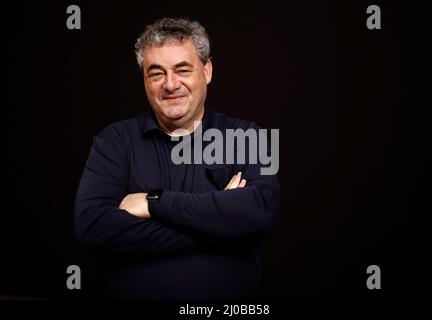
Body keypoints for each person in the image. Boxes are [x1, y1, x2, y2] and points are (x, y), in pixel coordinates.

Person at [74, 17, 281, 299]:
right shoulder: (114, 141)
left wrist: (154, 202)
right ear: (144, 79)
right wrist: (218, 227)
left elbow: (261, 210)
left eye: (182, 70)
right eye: (156, 73)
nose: (170, 85)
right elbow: (93, 228)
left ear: (207, 71)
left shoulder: (245, 135)